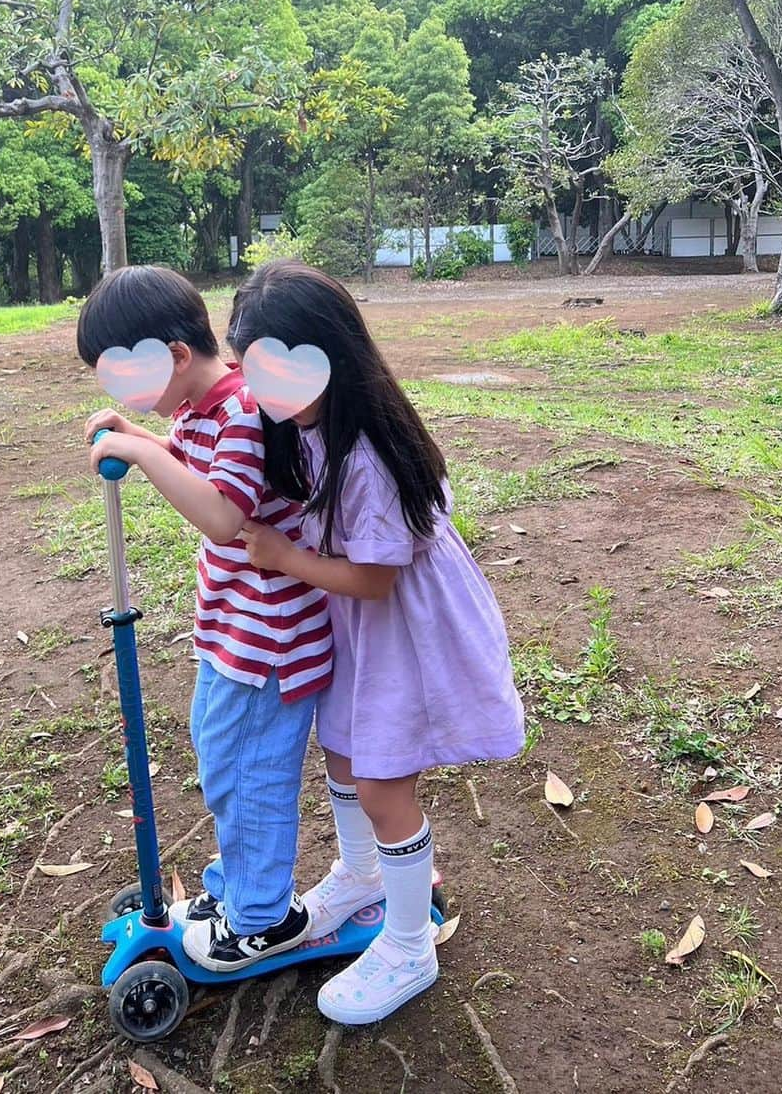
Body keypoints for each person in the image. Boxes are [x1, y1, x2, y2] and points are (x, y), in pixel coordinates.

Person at [227, 261, 525, 1025]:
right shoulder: (310, 424)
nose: (259, 395)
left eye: (270, 373)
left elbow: (374, 580)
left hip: (404, 628)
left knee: (386, 781)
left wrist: (285, 558)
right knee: (346, 752)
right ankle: (361, 875)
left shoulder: (370, 454)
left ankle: (406, 942)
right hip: (361, 628)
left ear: (325, 359)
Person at [78, 266, 332, 972]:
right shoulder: (205, 409)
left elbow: (223, 515)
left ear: (176, 356)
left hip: (269, 644)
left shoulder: (242, 411)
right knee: (225, 764)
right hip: (236, 634)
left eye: (129, 381)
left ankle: (264, 917)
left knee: (250, 776)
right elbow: (195, 468)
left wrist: (136, 451)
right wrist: (143, 436)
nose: (124, 396)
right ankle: (238, 890)